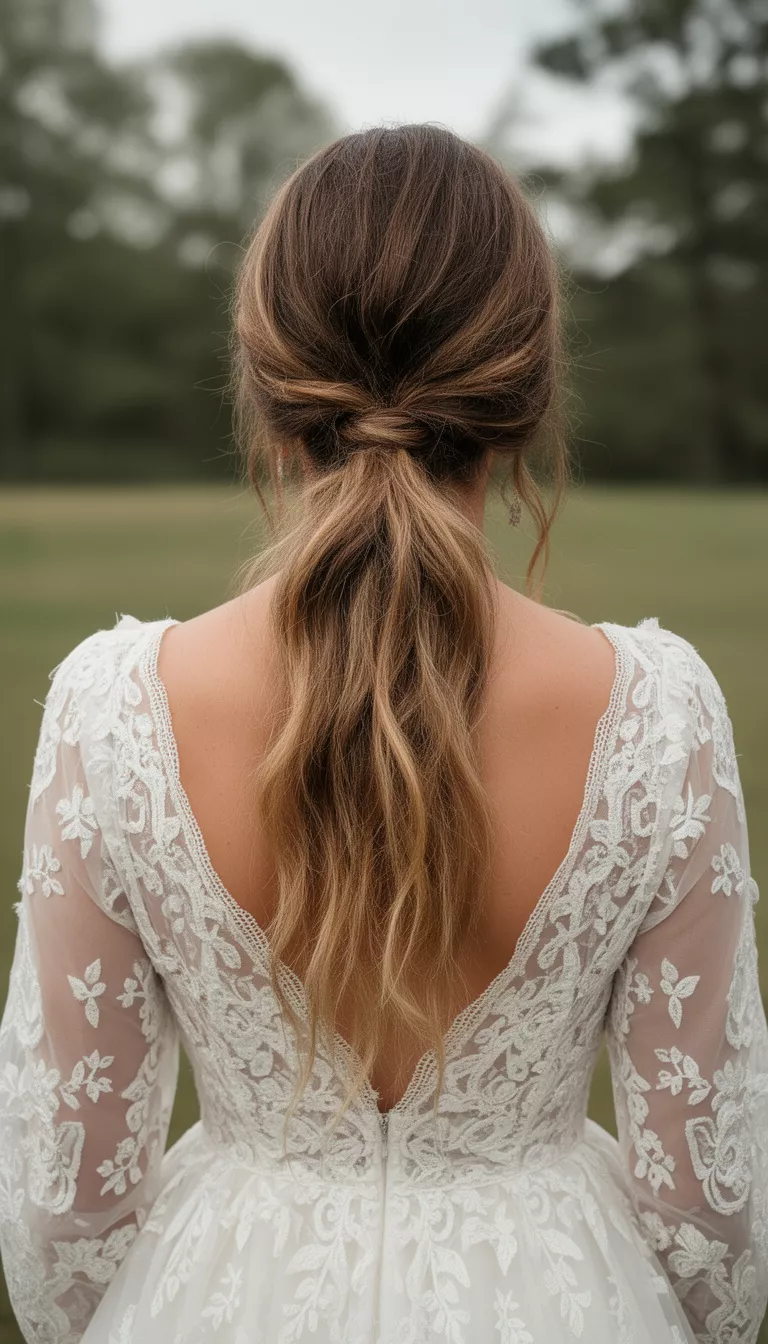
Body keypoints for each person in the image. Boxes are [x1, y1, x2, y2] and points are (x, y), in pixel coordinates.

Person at [0, 124, 766, 1344]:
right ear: (525, 398)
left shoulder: (113, 711)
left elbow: (61, 1228)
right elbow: (712, 1235)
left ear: (267, 393)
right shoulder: (660, 717)